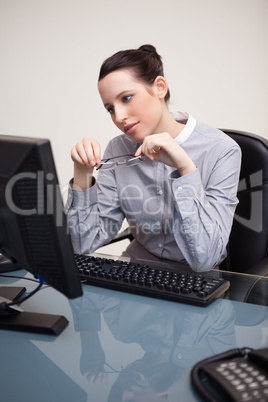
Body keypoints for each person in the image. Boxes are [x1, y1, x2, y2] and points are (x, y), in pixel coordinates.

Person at [66, 44, 241, 272]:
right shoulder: (117, 149)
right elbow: (82, 244)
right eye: (110, 108)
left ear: (159, 87)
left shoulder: (222, 150)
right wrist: (82, 173)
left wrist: (185, 169)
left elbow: (204, 259)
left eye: (126, 98)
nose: (119, 117)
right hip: (136, 270)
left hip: (197, 280)